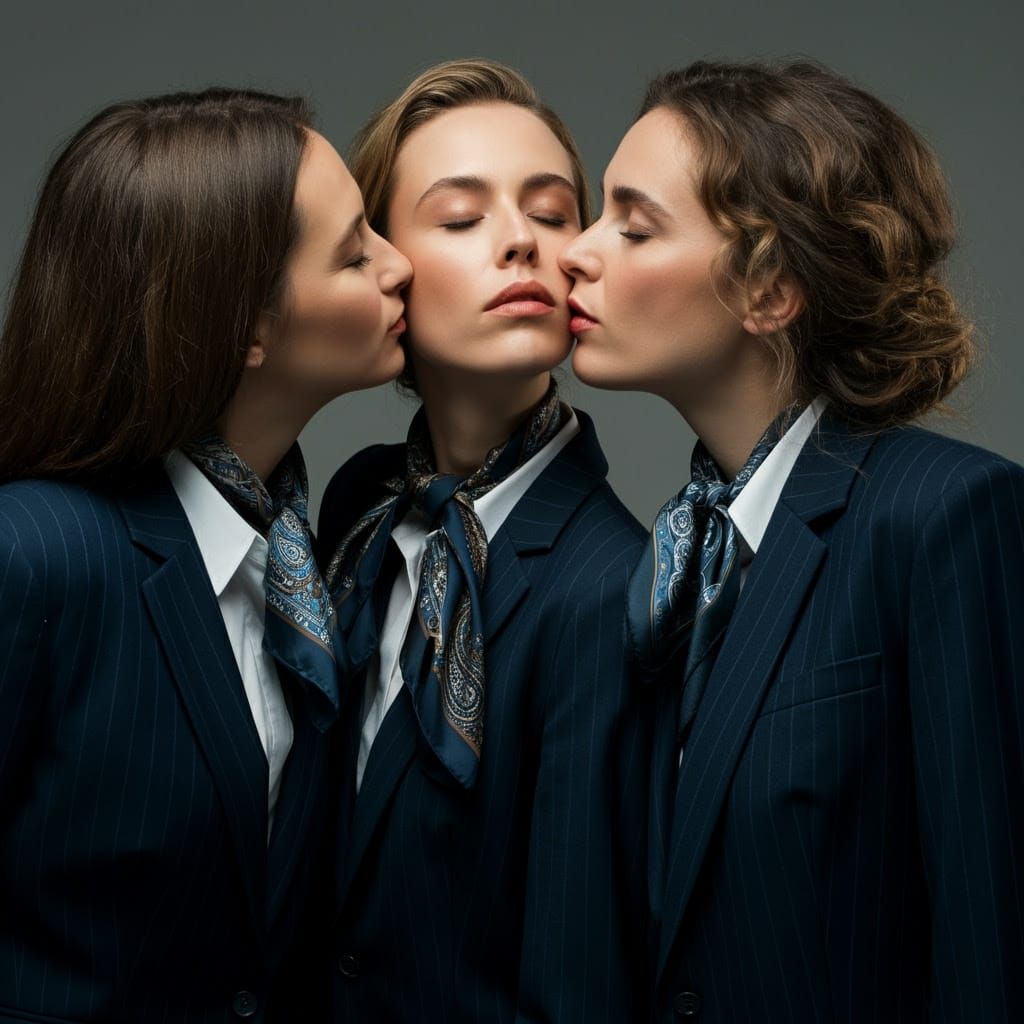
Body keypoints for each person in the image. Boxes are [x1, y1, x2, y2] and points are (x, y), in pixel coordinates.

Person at [558, 59, 1024, 1023]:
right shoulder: (669, 565)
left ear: (769, 289)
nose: (576, 251)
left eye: (634, 225)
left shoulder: (942, 516)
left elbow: (994, 935)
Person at [0, 87, 410, 1022]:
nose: (401, 266)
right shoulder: (32, 555)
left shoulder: (318, 565)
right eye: (355, 252)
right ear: (244, 327)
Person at [317, 59, 649, 1022]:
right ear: (382, 266)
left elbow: (577, 974)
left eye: (553, 214)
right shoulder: (357, 509)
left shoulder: (610, 586)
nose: (521, 244)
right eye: (461, 219)